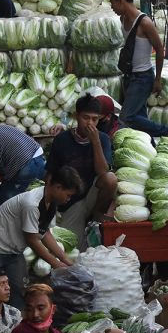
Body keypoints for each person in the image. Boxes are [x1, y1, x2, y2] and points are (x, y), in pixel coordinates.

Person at [0, 170, 81, 309]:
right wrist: (56, 264)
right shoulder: (32, 204)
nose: (68, 199)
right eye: (68, 195)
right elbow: (32, 240)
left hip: (13, 249)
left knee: (18, 290)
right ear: (57, 187)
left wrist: (65, 260)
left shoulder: (51, 203)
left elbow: (45, 234)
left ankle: (14, 326)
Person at [45, 94, 117, 242]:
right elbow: (50, 174)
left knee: (110, 179)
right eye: (86, 118)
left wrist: (95, 142)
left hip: (92, 193)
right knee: (72, 242)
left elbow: (103, 172)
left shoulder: (102, 138)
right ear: (77, 116)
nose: (90, 123)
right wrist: (48, 204)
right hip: (70, 199)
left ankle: (96, 215)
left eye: (95, 119)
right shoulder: (62, 139)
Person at [107, 0, 168, 138]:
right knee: (139, 119)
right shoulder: (122, 20)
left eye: (112, 2)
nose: (111, 7)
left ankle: (166, 131)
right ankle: (151, 144)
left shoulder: (145, 22)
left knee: (127, 117)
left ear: (121, 1)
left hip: (142, 78)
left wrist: (157, 79)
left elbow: (160, 50)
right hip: (129, 77)